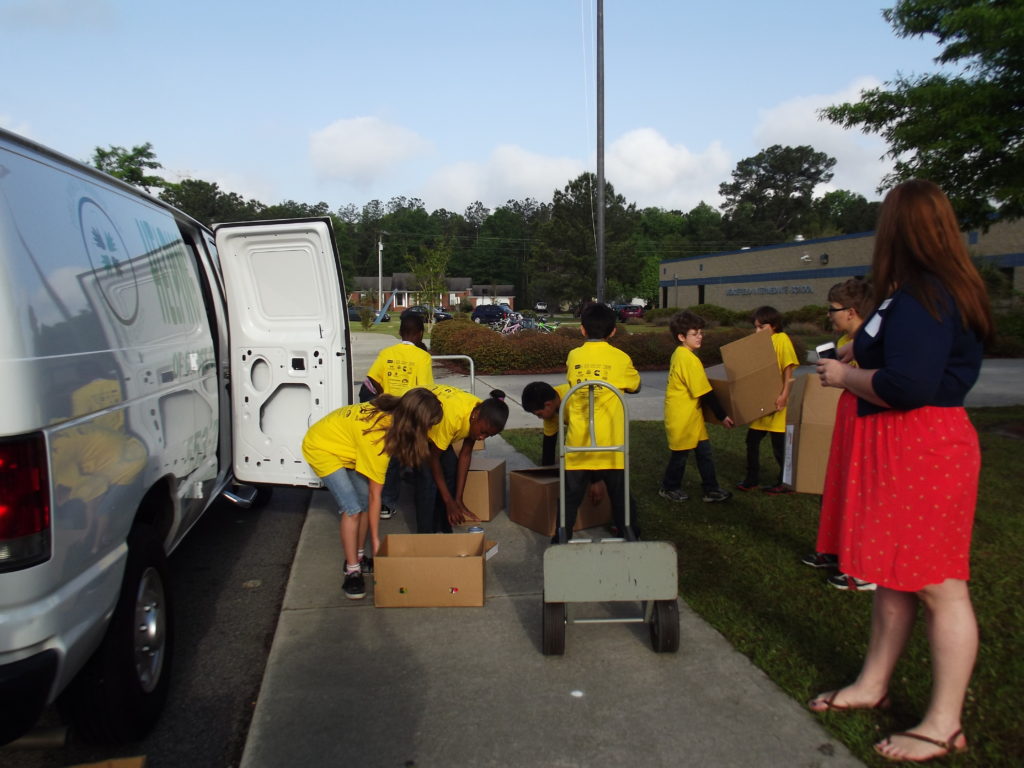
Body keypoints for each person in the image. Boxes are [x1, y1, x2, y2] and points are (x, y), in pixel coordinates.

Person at [809, 180, 992, 763]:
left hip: (923, 449)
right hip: (901, 448)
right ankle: (872, 685)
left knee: (940, 587)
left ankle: (943, 724)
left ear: (897, 229)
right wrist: (853, 353)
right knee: (893, 576)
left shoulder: (926, 296)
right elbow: (898, 353)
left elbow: (909, 387)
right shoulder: (912, 294)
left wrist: (845, 378)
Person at [302, 388, 443, 600]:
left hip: (345, 446)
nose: (428, 431)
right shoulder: (378, 439)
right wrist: (376, 540)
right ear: (414, 421)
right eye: (427, 426)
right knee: (353, 508)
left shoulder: (395, 410)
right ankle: (352, 570)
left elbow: (371, 499)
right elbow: (377, 495)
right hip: (321, 447)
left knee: (364, 504)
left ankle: (359, 556)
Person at [801, 277, 878, 589]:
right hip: (849, 421)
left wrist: (845, 375)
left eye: (833, 309)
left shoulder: (875, 344)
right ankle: (836, 549)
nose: (829, 315)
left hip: (867, 423)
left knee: (862, 491)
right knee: (840, 486)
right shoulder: (850, 345)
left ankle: (864, 566)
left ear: (852, 311)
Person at [559, 302, 641, 542]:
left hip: (578, 445)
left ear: (582, 330)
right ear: (613, 331)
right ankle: (630, 535)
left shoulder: (574, 355)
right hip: (612, 446)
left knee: (569, 501)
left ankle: (561, 538)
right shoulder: (621, 357)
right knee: (621, 498)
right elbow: (635, 386)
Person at [360, 313, 434, 519]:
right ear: (420, 334)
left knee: (389, 457)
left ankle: (386, 503)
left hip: (388, 412)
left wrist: (385, 396)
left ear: (400, 332)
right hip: (410, 412)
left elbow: (372, 380)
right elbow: (425, 390)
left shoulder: (386, 353)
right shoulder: (423, 357)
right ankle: (421, 495)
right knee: (416, 452)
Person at [659, 311, 734, 503]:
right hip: (682, 417)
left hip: (693, 416)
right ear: (681, 337)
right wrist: (722, 415)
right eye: (695, 333)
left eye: (700, 332)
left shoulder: (684, 354)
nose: (700, 336)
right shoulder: (687, 358)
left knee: (704, 453)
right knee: (680, 456)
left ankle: (711, 489)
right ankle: (669, 487)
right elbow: (704, 392)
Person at [415, 384, 509, 534]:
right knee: (427, 480)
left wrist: (458, 499)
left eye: (487, 436)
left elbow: (465, 455)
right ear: (474, 416)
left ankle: (444, 525)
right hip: (418, 429)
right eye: (483, 432)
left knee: (451, 468)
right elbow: (433, 459)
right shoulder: (452, 419)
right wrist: (448, 501)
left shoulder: (480, 414)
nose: (481, 437)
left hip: (440, 433)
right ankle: (425, 534)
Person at [736, 306, 798, 494]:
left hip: (777, 401)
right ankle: (751, 478)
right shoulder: (759, 343)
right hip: (761, 402)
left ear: (774, 325)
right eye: (755, 327)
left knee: (779, 446)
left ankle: (785, 482)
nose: (757, 331)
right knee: (752, 441)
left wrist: (784, 395)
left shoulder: (781, 340)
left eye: (762, 327)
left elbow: (788, 370)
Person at [521, 380, 570, 466]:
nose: (539, 418)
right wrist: (545, 474)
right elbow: (549, 445)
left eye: (539, 414)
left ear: (548, 405)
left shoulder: (571, 400)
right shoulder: (552, 404)